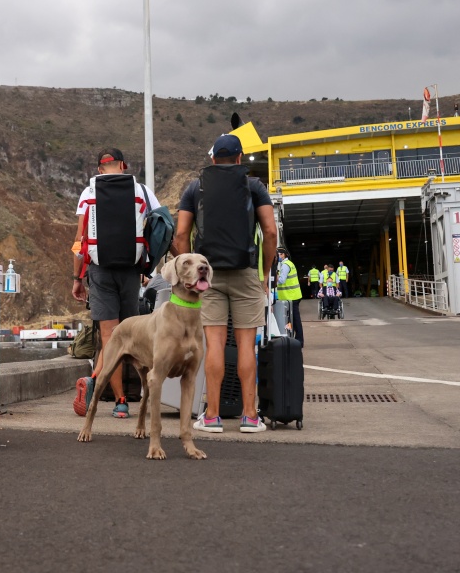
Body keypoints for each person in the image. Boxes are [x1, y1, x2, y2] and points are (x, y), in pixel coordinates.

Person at [172, 134, 277, 433]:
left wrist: (189, 274)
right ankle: (250, 417)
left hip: (207, 274)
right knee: (246, 344)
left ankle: (213, 416)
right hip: (246, 273)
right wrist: (265, 273)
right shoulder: (254, 187)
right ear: (240, 158)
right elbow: (270, 232)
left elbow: (180, 235)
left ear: (213, 159)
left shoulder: (195, 187)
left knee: (214, 344)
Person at [71, 148, 161, 418]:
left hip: (100, 271)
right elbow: (160, 227)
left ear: (100, 168)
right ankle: (133, 400)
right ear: (123, 165)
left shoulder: (88, 194)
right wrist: (148, 266)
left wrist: (77, 278)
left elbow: (80, 242)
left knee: (109, 338)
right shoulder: (142, 191)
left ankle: (117, 397)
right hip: (131, 271)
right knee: (129, 338)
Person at [275, 247, 303, 344]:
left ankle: (299, 341)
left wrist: (275, 276)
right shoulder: (287, 264)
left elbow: (282, 280)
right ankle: (296, 339)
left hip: (292, 297)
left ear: (283, 255)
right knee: (292, 319)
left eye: (278, 254)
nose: (276, 256)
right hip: (291, 296)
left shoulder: (285, 265)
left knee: (295, 320)